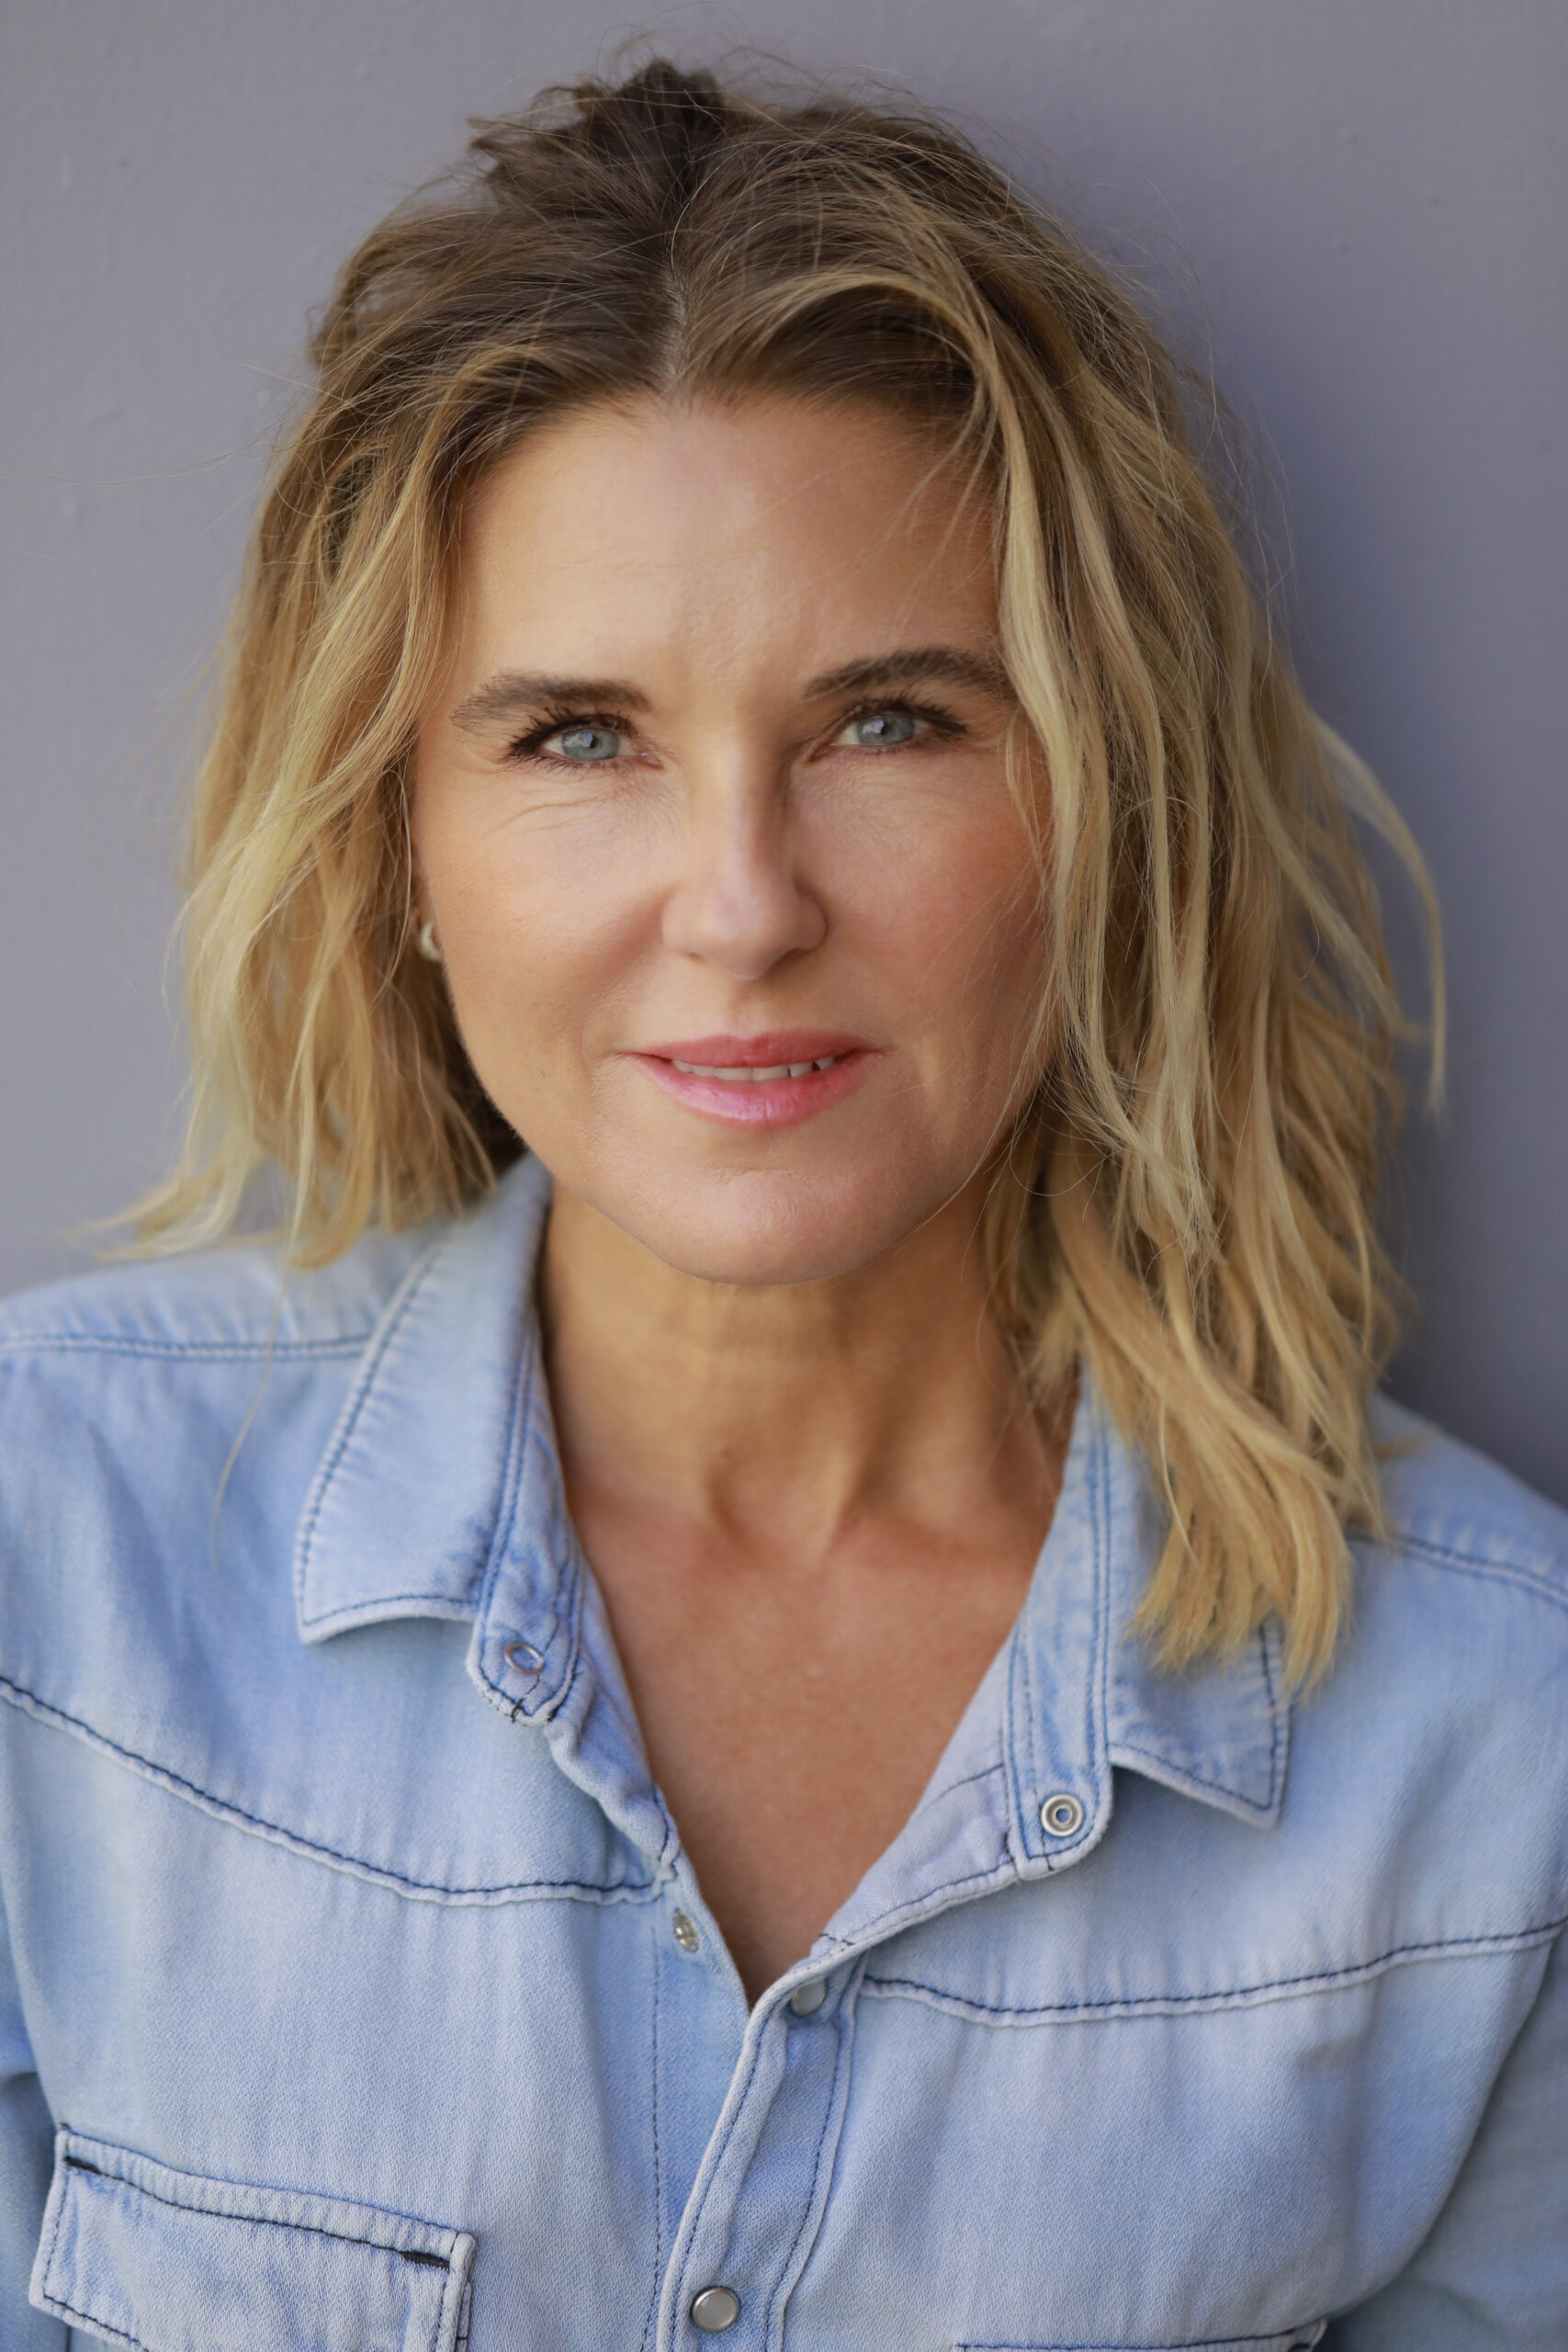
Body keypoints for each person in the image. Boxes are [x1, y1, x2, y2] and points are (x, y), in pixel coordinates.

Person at [1, 56, 1562, 2352]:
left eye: (887, 721)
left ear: (1100, 806)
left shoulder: (1499, 1744)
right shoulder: (49, 1555)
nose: (739, 905)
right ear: (398, 840)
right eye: (579, 734)